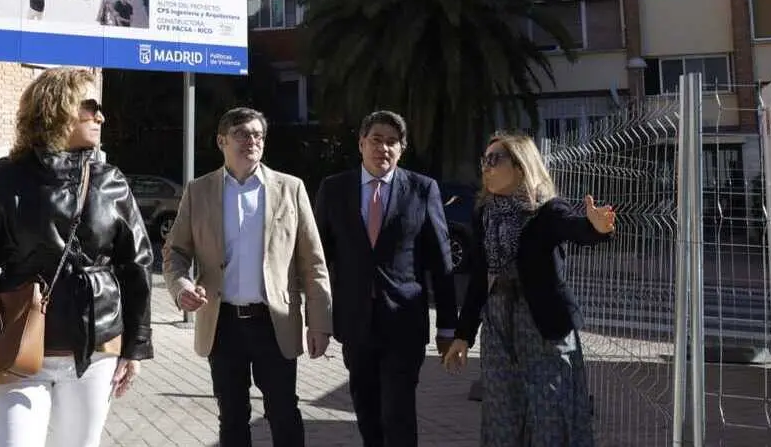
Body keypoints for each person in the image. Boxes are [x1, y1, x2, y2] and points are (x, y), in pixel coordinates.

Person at [0, 67, 154, 447]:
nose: (100, 115)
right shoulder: (7, 179)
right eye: (91, 106)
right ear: (57, 108)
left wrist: (135, 346)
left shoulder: (110, 180)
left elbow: (136, 265)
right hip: (17, 344)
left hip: (95, 349)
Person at [162, 107, 332, 447]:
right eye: (242, 134)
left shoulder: (290, 188)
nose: (251, 141)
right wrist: (181, 287)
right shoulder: (200, 191)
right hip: (222, 323)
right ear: (222, 141)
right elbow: (174, 252)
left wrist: (320, 323)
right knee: (232, 416)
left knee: (283, 412)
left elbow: (312, 262)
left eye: (258, 135)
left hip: (274, 321)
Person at [442, 133, 616, 447]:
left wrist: (596, 227)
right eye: (484, 160)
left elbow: (573, 226)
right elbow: (480, 278)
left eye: (495, 159)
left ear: (521, 167)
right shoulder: (485, 215)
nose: (487, 166)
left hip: (542, 327)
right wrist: (463, 334)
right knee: (501, 413)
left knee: (550, 412)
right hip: (498, 326)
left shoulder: (547, 211)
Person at [313, 110, 458, 447]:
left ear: (402, 149)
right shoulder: (334, 190)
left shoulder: (423, 189)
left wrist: (448, 328)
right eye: (376, 140)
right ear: (361, 143)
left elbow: (442, 263)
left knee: (398, 414)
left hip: (404, 323)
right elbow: (319, 262)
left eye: (392, 141)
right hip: (355, 323)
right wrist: (317, 321)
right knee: (367, 413)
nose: (384, 148)